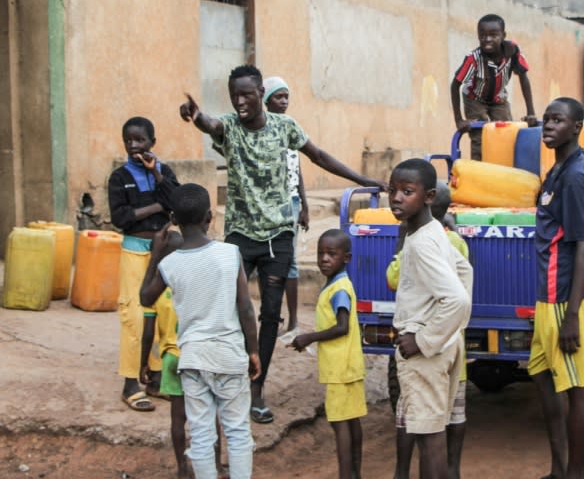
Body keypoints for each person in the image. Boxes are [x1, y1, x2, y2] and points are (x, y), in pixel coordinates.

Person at [179, 64, 383, 424]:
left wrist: (362, 178)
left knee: (270, 316)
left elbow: (318, 156)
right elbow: (211, 124)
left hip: (278, 238)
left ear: (260, 93)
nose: (240, 101)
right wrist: (196, 117)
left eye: (246, 94)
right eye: (234, 95)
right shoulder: (229, 127)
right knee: (228, 310)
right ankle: (226, 383)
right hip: (240, 237)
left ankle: (257, 390)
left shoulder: (284, 127)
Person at [140, 183, 261, 479]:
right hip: (229, 356)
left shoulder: (170, 264)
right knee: (237, 431)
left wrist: (156, 254)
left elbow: (145, 297)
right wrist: (254, 350)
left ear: (174, 218)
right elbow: (245, 309)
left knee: (202, 434)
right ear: (210, 217)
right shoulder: (230, 254)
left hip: (193, 359)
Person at [525, 97, 584, 479]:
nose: (549, 126)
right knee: (540, 372)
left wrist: (572, 317)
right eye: (547, 120)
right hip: (546, 296)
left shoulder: (571, 176)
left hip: (561, 297)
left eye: (559, 120)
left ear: (577, 127)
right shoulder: (559, 170)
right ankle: (559, 467)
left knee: (578, 386)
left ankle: (576, 473)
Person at [388, 158, 473, 479]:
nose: (397, 198)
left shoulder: (422, 242)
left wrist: (423, 339)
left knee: (429, 436)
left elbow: (456, 298)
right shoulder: (434, 230)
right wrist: (451, 333)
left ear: (428, 197)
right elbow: (465, 272)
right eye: (392, 190)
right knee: (434, 429)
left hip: (424, 350)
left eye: (407, 191)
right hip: (444, 345)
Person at [108, 116, 180, 412]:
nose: (134, 146)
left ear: (153, 142)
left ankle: (155, 377)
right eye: (129, 140)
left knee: (165, 314)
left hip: (164, 254)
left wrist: (159, 179)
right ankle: (129, 383)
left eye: (140, 140)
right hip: (135, 253)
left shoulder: (165, 171)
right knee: (134, 316)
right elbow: (121, 218)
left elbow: (177, 202)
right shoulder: (119, 177)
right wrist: (156, 207)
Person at [289, 229, 366, 479]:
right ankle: (355, 473)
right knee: (351, 419)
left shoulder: (339, 290)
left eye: (331, 254)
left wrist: (308, 337)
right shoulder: (338, 284)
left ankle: (346, 474)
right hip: (349, 365)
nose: (324, 259)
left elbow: (342, 327)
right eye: (321, 253)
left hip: (339, 369)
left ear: (346, 258)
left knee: (340, 424)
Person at [451, 13, 537, 161]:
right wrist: (459, 120)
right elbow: (455, 85)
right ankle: (479, 169)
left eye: (493, 35)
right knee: (480, 132)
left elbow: (524, 78)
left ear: (503, 35)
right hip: (475, 99)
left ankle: (505, 166)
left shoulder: (512, 51)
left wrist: (531, 112)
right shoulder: (473, 59)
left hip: (498, 99)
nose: (487, 39)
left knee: (507, 131)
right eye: (482, 35)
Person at [262, 76, 309, 335]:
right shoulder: (265, 130)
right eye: (279, 97)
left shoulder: (290, 129)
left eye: (286, 97)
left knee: (289, 262)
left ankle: (293, 321)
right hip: (270, 204)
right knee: (271, 260)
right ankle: (272, 317)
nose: (284, 102)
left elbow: (297, 170)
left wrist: (305, 205)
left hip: (290, 203)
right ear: (267, 101)